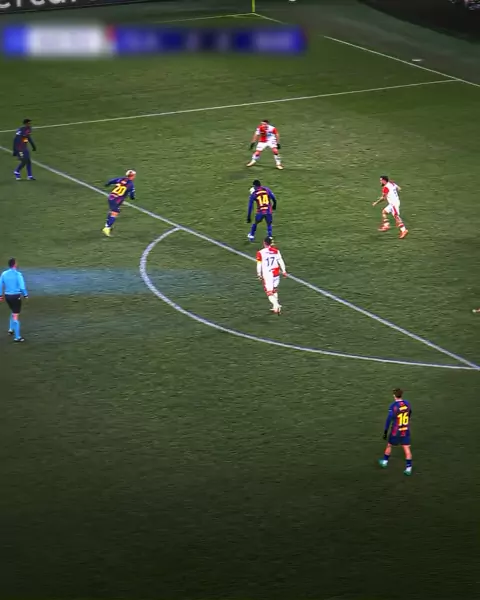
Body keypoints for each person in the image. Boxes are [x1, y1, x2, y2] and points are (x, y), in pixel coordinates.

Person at [379, 388, 413, 475]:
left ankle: (385, 461)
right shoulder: (407, 403)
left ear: (394, 395)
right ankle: (408, 468)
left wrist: (385, 432)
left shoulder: (393, 406)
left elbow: (389, 420)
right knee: (406, 448)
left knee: (389, 445)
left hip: (396, 431)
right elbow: (410, 412)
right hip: (405, 430)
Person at [0, 258, 29, 342]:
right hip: (16, 297)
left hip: (8, 296)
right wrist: (25, 294)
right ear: (15, 264)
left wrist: (0, 295)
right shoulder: (18, 274)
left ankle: (10, 329)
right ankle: (17, 337)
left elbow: (0, 285)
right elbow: (22, 287)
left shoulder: (4, 274)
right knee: (16, 315)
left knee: (13, 311)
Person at [256, 236, 287, 314]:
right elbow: (281, 261)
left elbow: (259, 264)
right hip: (276, 273)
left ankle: (276, 305)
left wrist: (259, 274)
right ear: (271, 243)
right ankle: (275, 306)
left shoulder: (260, 252)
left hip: (268, 274)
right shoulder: (276, 251)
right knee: (274, 290)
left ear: (264, 243)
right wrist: (284, 271)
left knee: (269, 293)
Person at [102, 170, 136, 237]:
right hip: (116, 200)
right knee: (115, 213)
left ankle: (107, 225)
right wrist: (132, 198)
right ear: (132, 176)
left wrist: (107, 184)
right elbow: (132, 195)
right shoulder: (131, 185)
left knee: (112, 211)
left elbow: (111, 181)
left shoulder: (121, 179)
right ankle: (107, 228)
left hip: (111, 197)